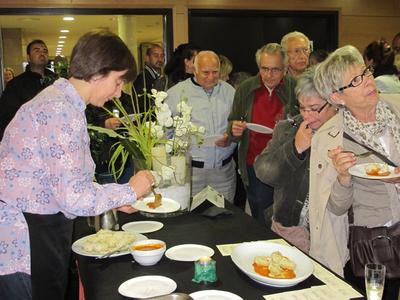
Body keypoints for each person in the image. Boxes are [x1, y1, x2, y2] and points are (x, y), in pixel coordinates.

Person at [0, 30, 154, 300]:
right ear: (97, 72)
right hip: (27, 239)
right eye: (118, 82)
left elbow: (64, 179)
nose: (118, 93)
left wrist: (112, 200)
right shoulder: (60, 110)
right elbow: (73, 196)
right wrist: (130, 190)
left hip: (34, 228)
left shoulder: (62, 103)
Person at [311, 45, 400, 299]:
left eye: (366, 73)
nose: (368, 82)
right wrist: (343, 177)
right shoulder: (330, 138)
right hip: (377, 244)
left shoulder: (397, 109)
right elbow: (335, 209)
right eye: (355, 81)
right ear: (337, 97)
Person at [254, 66, 337, 252]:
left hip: (331, 233)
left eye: (315, 109)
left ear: (333, 102)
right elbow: (263, 172)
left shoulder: (344, 132)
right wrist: (295, 148)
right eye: (302, 108)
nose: (307, 115)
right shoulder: (289, 128)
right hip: (290, 227)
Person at [228, 43, 298, 224]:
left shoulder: (294, 88)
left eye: (275, 70)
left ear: (285, 69)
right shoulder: (246, 88)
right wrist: (234, 129)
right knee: (261, 214)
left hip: (287, 162)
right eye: (264, 69)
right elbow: (232, 124)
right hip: (254, 163)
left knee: (286, 216)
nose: (268, 75)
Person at [166, 50, 237, 202]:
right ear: (194, 70)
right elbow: (166, 134)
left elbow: (239, 123)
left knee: (224, 219)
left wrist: (231, 136)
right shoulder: (176, 93)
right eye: (205, 72)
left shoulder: (230, 92)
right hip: (191, 173)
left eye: (215, 72)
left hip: (223, 173)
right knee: (191, 221)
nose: (211, 77)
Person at [0, 39, 57, 140]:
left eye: (45, 51)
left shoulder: (57, 81)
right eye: (37, 50)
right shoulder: (16, 84)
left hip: (55, 136)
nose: (42, 53)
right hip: (27, 138)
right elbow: (7, 116)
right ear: (28, 57)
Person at [133, 43, 164, 112]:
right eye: (156, 56)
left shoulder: (158, 76)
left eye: (162, 56)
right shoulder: (142, 78)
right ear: (147, 58)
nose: (160, 59)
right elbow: (141, 106)